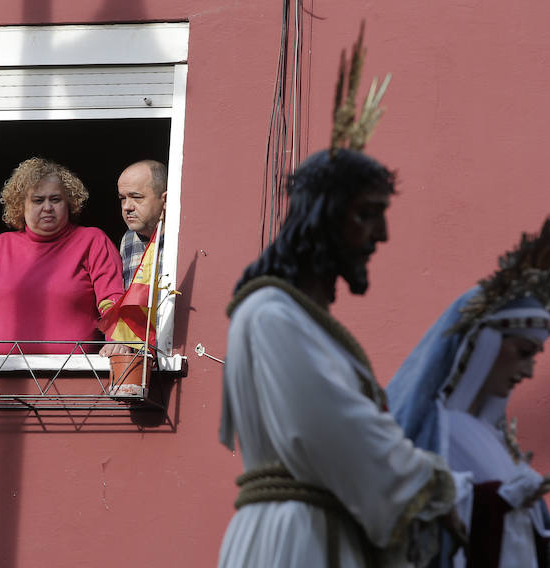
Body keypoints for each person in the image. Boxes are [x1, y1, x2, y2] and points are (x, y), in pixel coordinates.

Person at [219, 28, 463, 566]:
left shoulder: (301, 321)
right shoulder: (270, 314)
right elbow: (330, 430)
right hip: (295, 539)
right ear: (324, 217)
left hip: (328, 530)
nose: (381, 236)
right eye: (366, 214)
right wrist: (437, 484)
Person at [386, 202, 550, 568]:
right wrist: (499, 500)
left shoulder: (492, 437)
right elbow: (410, 521)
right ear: (484, 345)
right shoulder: (426, 429)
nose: (528, 372)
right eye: (523, 352)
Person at [0, 157, 130, 357]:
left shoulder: (92, 240)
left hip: (73, 376)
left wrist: (117, 341)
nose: (47, 207)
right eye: (38, 200)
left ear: (69, 202)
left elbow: (112, 298)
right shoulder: (0, 245)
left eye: (55, 199)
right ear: (20, 205)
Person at [117, 159, 167, 288]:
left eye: (137, 197)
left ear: (165, 200)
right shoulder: (128, 239)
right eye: (123, 198)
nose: (126, 207)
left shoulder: (182, 238)